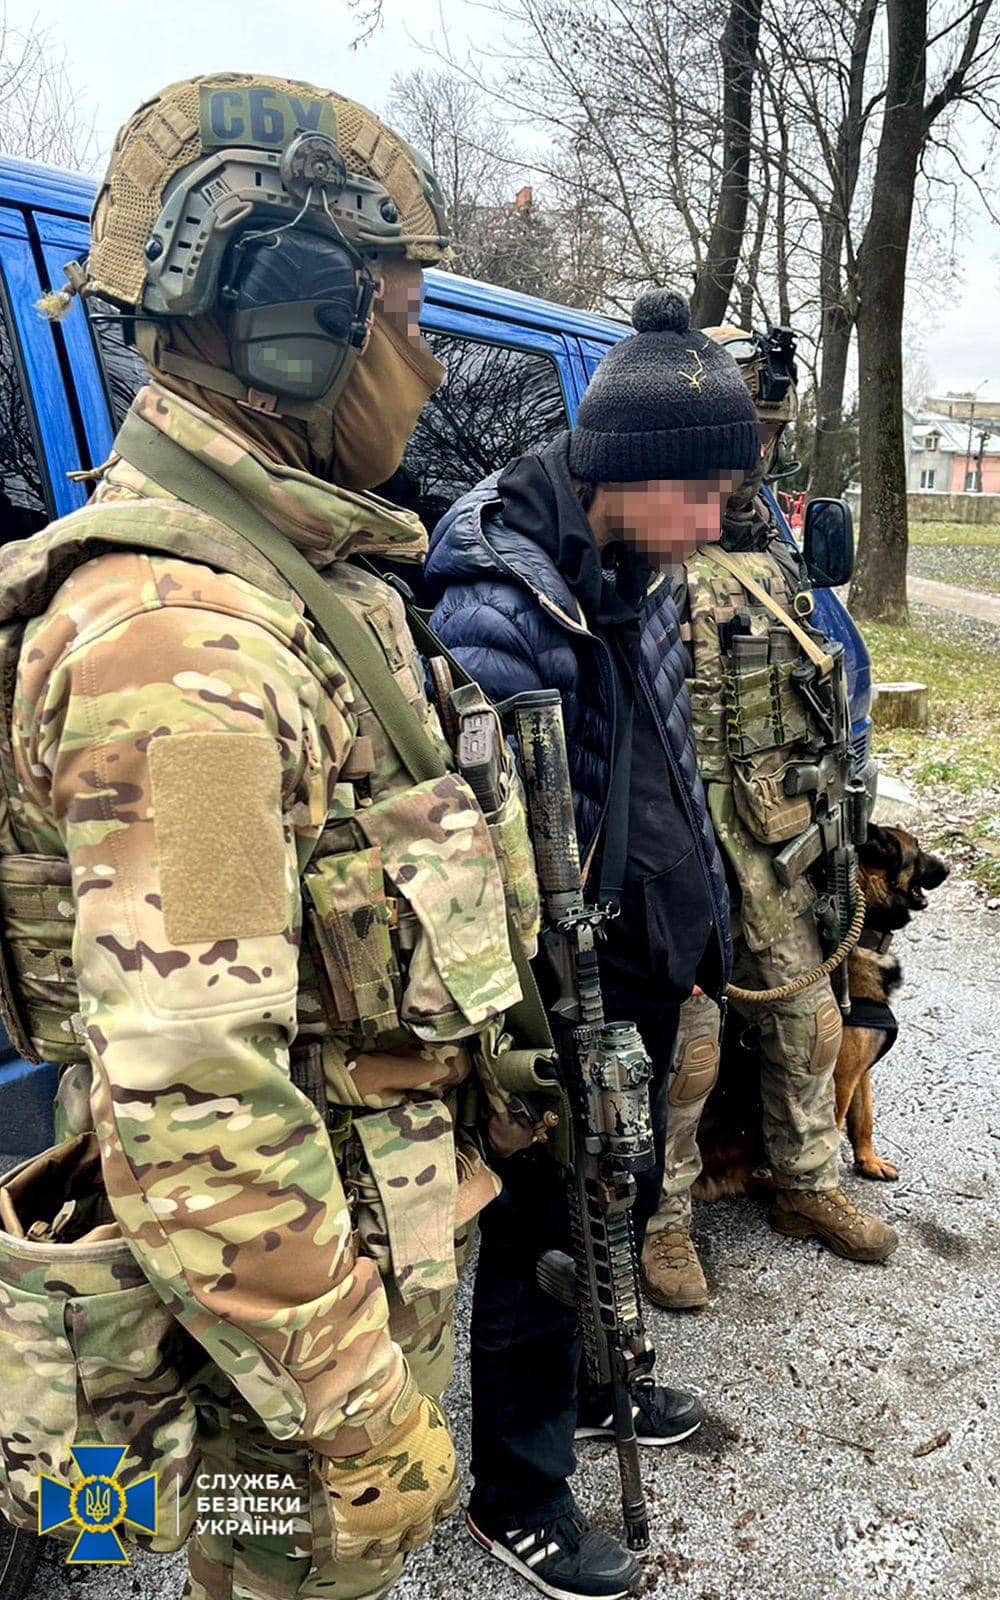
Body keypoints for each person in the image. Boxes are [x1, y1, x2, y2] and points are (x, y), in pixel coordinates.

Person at [0, 72, 526, 1600]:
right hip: (273, 1359)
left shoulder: (293, 583)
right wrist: (359, 1416)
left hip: (332, 1269)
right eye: (409, 320)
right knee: (273, 1576)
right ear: (298, 325)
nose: (428, 366)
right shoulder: (186, 655)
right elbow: (196, 1099)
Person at [425, 289, 760, 1600]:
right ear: (623, 473)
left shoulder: (638, 564)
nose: (714, 525)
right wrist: (541, 1026)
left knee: (611, 1196)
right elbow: (488, 866)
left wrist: (700, 926)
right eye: (697, 495)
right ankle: (519, 1487)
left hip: (643, 952)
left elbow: (669, 770)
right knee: (541, 1217)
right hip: (553, 981)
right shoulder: (499, 602)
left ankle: (605, 1384)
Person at [654, 325, 898, 1265]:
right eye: (741, 430)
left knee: (810, 1015)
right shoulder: (649, 537)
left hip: (777, 830)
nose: (754, 452)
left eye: (767, 433)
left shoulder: (772, 545)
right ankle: (665, 1222)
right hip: (687, 836)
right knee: (691, 1040)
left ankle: (806, 1184)